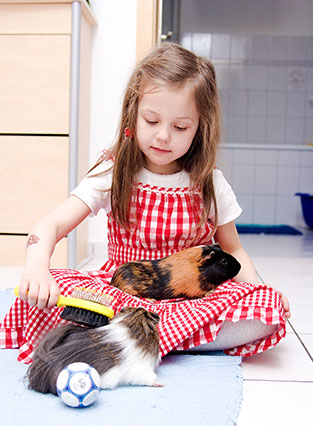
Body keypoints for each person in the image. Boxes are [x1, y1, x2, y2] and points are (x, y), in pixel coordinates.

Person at [0, 43, 289, 364]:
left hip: (191, 302)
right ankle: (169, 337)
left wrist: (261, 291)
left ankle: (132, 336)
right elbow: (51, 225)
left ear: (199, 128)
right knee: (45, 294)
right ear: (133, 114)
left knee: (266, 310)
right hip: (122, 296)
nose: (163, 136)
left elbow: (233, 250)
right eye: (151, 121)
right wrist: (37, 266)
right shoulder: (113, 172)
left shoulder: (210, 183)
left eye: (180, 127)